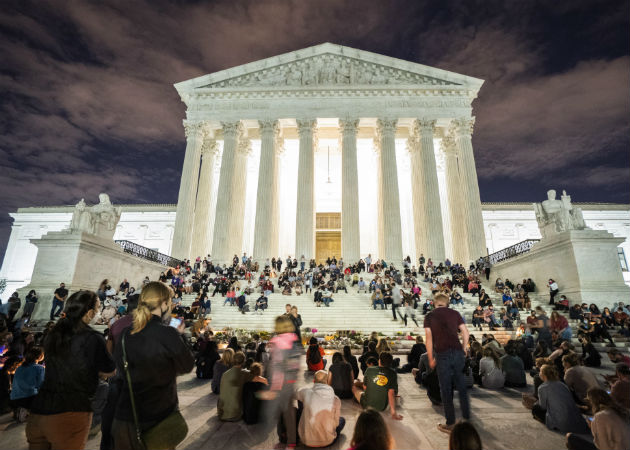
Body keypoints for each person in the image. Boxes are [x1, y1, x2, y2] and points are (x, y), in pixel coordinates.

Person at [27, 290, 115, 450]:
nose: (99, 311)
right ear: (89, 313)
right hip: (70, 412)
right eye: (98, 307)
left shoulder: (53, 333)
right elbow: (109, 370)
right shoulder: (93, 337)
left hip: (38, 410)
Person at [112, 281, 195, 450]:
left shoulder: (124, 334)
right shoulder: (167, 333)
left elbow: (119, 367)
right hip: (157, 418)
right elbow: (187, 365)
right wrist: (180, 336)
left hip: (125, 418)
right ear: (164, 303)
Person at [424, 292, 470, 433]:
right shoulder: (455, 313)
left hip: (442, 354)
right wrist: (463, 348)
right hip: (457, 352)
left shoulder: (430, 316)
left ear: (434, 303)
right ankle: (467, 419)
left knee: (445, 388)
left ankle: (450, 423)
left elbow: (429, 339)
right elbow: (465, 332)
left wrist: (431, 358)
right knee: (461, 386)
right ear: (447, 303)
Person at [566, 388, 630, 450]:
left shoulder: (600, 417)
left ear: (593, 402)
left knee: (570, 437)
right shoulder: (618, 411)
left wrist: (593, 427)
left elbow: (602, 446)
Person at [532, 364, 589, 433]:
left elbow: (543, 407)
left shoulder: (542, 388)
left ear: (543, 374)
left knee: (535, 408)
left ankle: (547, 421)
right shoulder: (562, 384)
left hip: (561, 423)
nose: (539, 373)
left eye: (540, 371)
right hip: (575, 420)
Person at [297, 370, 345, 447]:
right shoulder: (335, 399)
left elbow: (296, 393)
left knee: (301, 399)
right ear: (327, 381)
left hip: (305, 440)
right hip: (327, 441)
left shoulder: (305, 392)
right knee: (342, 420)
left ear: (313, 381)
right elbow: (336, 424)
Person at [352, 351, 402, 420]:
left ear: (379, 361)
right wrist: (393, 411)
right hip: (382, 407)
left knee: (354, 388)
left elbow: (365, 387)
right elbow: (391, 392)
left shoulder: (369, 369)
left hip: (368, 405)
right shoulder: (392, 373)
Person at [10, 346, 45, 422]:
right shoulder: (39, 368)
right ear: (40, 356)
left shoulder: (19, 367)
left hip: (14, 398)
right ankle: (26, 410)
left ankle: (19, 409)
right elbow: (40, 386)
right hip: (27, 398)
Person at [217, 351, 252, 421]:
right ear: (244, 361)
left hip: (221, 414)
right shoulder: (245, 373)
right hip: (236, 415)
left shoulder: (225, 374)